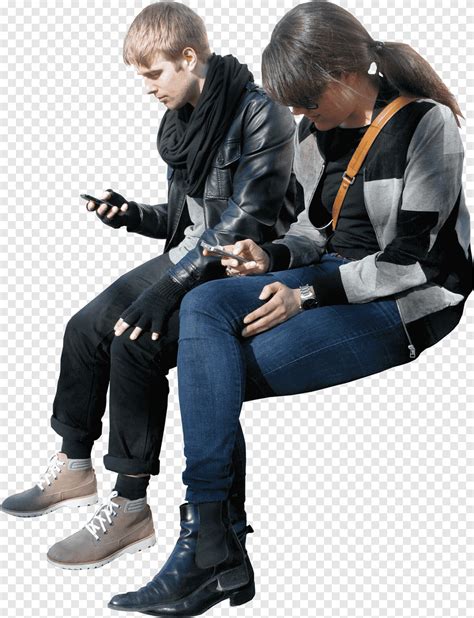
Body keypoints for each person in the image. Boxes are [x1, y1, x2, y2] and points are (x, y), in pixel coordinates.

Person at [107, 1, 472, 615]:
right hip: (327, 275)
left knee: (210, 377)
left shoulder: (426, 126)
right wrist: (269, 257)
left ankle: (211, 549)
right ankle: (214, 546)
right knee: (204, 309)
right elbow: (311, 230)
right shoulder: (314, 130)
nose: (298, 118)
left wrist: (305, 294)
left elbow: (416, 261)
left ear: (341, 77)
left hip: (410, 304)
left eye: (305, 103)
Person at [0, 1, 297, 570]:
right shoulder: (183, 119)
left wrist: (165, 293)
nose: (146, 87)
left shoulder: (263, 114)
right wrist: (131, 213)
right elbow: (184, 219)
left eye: (153, 72)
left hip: (240, 264)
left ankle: (131, 506)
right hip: (191, 253)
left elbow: (244, 225)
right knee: (85, 327)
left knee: (134, 339)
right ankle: (74, 467)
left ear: (189, 57)